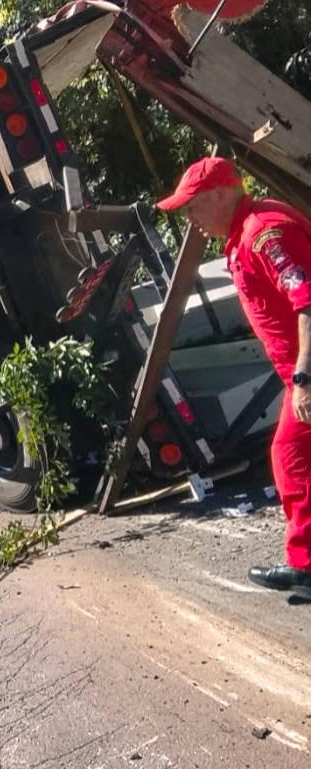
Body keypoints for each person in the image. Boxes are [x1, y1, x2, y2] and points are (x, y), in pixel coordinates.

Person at [157, 156, 311, 599]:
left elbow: (308, 302)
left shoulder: (264, 233)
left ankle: (306, 567)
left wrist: (304, 377)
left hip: (307, 372)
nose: (191, 218)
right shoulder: (247, 232)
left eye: (194, 206)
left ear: (222, 194)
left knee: (291, 456)